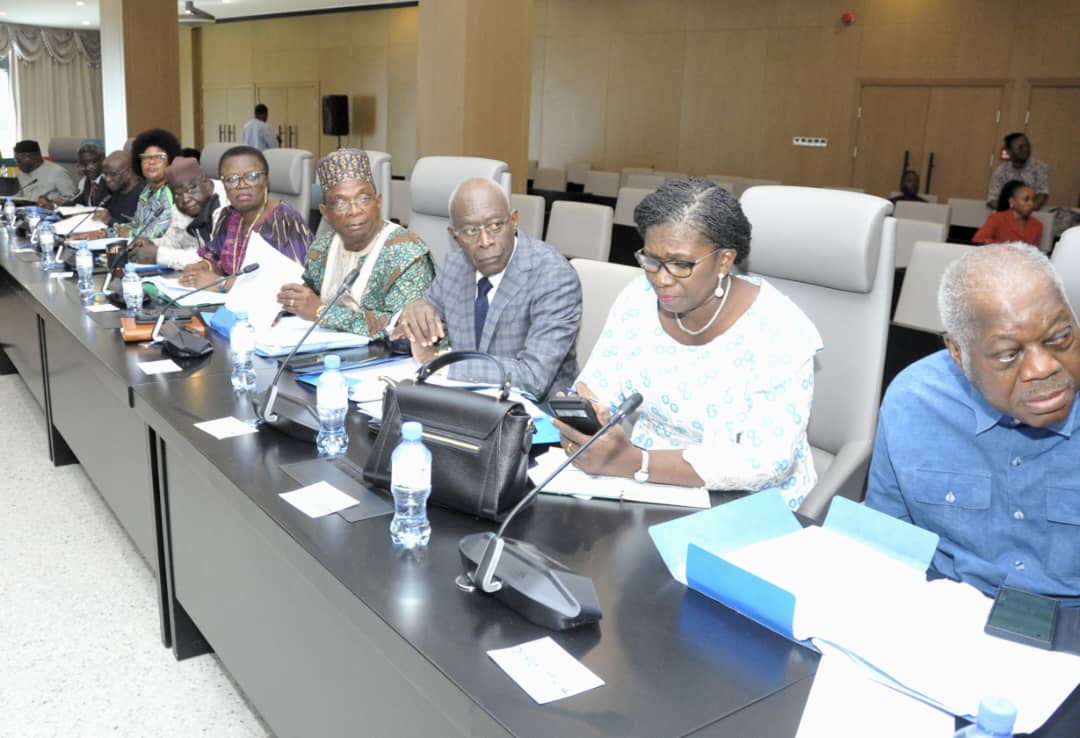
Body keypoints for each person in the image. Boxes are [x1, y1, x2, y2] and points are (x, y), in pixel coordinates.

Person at [552, 178, 822, 508]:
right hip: (642, 489)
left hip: (745, 501)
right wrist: (586, 423)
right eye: (651, 260)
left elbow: (766, 461)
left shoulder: (780, 329)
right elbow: (596, 387)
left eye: (681, 264)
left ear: (724, 260)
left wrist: (636, 462)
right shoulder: (637, 299)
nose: (661, 279)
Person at [866, 243, 1080, 603]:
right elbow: (886, 535)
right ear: (958, 352)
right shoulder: (914, 401)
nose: (1043, 368)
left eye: (1059, 338)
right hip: (950, 604)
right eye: (1008, 354)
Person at [394, 177, 581, 401]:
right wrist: (413, 316)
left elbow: (532, 378)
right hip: (463, 403)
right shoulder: (455, 265)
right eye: (470, 231)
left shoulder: (553, 276)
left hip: (534, 411)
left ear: (514, 220)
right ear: (455, 235)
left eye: (495, 226)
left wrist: (439, 363)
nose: (485, 241)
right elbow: (422, 326)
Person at [276, 149, 434, 338]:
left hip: (383, 354)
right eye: (341, 203)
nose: (354, 211)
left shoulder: (406, 252)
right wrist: (288, 302)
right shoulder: (321, 247)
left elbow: (400, 328)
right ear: (325, 213)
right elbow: (308, 296)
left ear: (378, 202)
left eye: (363, 199)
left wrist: (321, 312)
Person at [180, 145, 310, 290]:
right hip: (226, 302)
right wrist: (203, 266)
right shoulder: (228, 216)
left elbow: (293, 284)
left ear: (266, 180)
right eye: (231, 179)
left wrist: (222, 283)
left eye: (252, 176)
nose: (242, 185)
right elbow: (216, 257)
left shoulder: (285, 221)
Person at [129, 156, 227, 270]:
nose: (185, 199)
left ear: (205, 181)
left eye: (191, 189)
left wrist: (158, 255)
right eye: (177, 194)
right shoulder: (181, 206)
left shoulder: (226, 204)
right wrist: (151, 244)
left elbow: (215, 257)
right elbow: (175, 241)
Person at [127, 128, 182, 240]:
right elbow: (136, 224)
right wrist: (110, 231)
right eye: (146, 157)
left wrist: (129, 233)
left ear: (170, 161)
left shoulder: (171, 191)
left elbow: (159, 232)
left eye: (159, 157)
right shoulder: (147, 190)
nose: (151, 162)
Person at [987, 133, 1049, 211]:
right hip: (1007, 214)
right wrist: (1011, 212)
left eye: (1027, 146)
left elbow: (1042, 194)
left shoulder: (1039, 168)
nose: (1025, 150)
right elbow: (992, 199)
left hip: (1034, 214)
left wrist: (1025, 211)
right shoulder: (1000, 172)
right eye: (1020, 147)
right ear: (1009, 151)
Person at [973, 179, 1043, 248]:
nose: (1031, 204)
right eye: (1026, 199)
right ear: (1012, 201)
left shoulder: (1037, 225)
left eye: (1033, 200)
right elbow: (978, 240)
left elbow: (1034, 251)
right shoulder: (997, 218)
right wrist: (1007, 247)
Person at [13, 140, 77, 205]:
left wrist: (51, 202)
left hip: (49, 210)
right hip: (26, 209)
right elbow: (17, 195)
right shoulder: (22, 173)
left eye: (19, 160)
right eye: (15, 160)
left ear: (34, 157)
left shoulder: (57, 172)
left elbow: (72, 197)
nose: (17, 164)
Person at [95, 151, 146, 226]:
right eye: (105, 174)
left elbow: (143, 229)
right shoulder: (116, 189)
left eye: (113, 174)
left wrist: (110, 220)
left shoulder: (146, 194)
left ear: (128, 172)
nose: (108, 179)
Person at [62, 141, 107, 207]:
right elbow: (81, 200)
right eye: (84, 164)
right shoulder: (88, 180)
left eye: (93, 162)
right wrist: (57, 205)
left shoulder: (108, 181)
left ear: (102, 161)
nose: (89, 168)